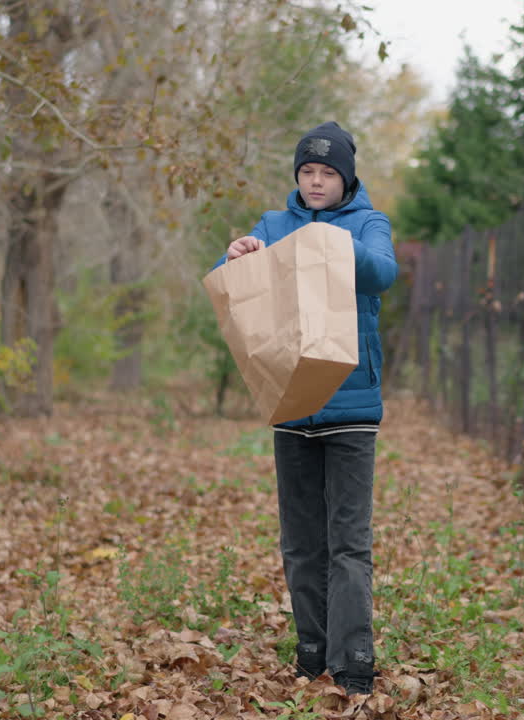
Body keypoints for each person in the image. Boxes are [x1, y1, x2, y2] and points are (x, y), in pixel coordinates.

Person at [214, 121, 397, 696]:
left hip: (351, 405)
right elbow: (242, 289)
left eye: (328, 173)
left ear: (346, 178)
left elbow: (384, 273)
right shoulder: (273, 225)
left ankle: (354, 662)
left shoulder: (368, 224)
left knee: (348, 543)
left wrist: (335, 245)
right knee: (300, 543)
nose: (316, 182)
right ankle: (311, 650)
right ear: (297, 176)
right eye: (307, 172)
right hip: (291, 404)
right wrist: (238, 252)